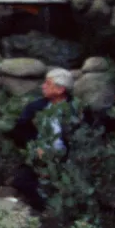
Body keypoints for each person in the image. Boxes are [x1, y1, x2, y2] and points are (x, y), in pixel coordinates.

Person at [10, 68, 77, 211]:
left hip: (67, 160)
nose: (43, 86)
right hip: (39, 156)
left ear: (60, 90)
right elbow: (19, 132)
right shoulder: (35, 108)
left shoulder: (76, 110)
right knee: (22, 181)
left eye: (48, 83)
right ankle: (42, 210)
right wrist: (34, 148)